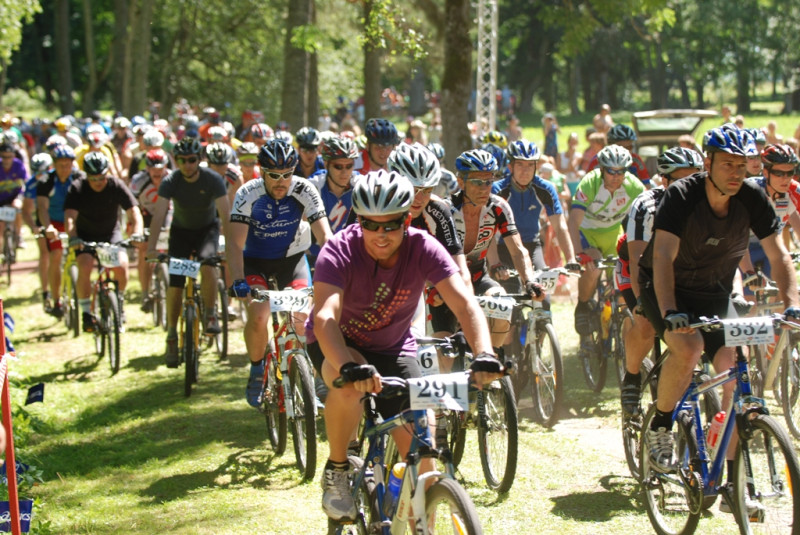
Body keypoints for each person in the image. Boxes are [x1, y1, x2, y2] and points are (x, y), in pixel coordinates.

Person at [308, 169, 502, 521]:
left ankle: (419, 517)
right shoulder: (339, 249)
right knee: (350, 384)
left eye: (390, 225)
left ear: (406, 219)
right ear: (359, 220)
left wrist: (485, 354)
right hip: (338, 341)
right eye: (370, 224)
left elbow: (464, 303)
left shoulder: (424, 247)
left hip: (393, 346)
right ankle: (337, 468)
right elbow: (325, 318)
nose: (380, 235)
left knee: (423, 443)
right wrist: (348, 366)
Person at [638, 124, 800, 481]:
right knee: (689, 346)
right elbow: (663, 256)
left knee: (733, 367)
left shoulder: (752, 197)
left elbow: (779, 254)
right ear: (707, 162)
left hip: (714, 290)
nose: (736, 173)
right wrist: (669, 311)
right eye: (728, 164)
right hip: (665, 287)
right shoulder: (682, 195)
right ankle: (661, 424)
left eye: (743, 166)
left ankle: (729, 475)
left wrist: (792, 304)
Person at [226, 139, 332, 408]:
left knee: (302, 319)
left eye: (287, 174)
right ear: (261, 172)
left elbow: (326, 237)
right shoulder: (248, 193)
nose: (281, 182)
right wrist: (237, 279)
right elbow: (235, 243)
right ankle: (256, 366)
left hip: (291, 259)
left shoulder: (304, 190)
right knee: (260, 315)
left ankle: (309, 375)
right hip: (255, 262)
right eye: (274, 176)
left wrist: (336, 275)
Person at [617, 147, 704, 417]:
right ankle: (631, 377)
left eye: (696, 178)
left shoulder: (705, 204)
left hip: (678, 272)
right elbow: (638, 260)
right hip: (636, 269)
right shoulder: (645, 206)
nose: (691, 186)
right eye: (682, 180)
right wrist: (644, 302)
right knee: (645, 322)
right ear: (664, 181)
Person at [444, 149, 542, 350]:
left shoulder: (499, 208)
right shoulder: (446, 211)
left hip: (479, 276)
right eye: (477, 182)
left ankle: (492, 361)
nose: (484, 188)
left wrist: (529, 281)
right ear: (461, 182)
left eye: (489, 182)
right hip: (448, 282)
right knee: (446, 347)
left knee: (503, 305)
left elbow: (518, 251)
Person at [145, 137, 230, 367]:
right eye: (181, 160)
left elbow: (225, 214)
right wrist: (152, 247)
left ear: (199, 160)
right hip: (181, 232)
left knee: (208, 264)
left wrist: (231, 247)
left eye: (192, 160)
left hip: (207, 230)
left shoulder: (213, 179)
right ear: (176, 160)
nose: (187, 165)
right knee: (176, 284)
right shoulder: (170, 180)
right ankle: (172, 335)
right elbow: (159, 215)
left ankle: (210, 314)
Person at [569, 145, 645, 351]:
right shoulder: (590, 183)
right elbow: (573, 221)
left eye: (621, 171)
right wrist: (578, 253)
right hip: (588, 232)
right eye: (611, 171)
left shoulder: (634, 187)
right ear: (602, 169)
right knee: (593, 264)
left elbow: (646, 219)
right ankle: (583, 306)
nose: (616, 176)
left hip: (612, 234)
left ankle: (622, 335)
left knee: (623, 281)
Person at [491, 140, 579, 305]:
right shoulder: (498, 190)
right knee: (511, 301)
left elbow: (560, 227)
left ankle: (542, 325)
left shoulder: (545, 188)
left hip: (532, 245)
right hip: (505, 248)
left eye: (530, 166)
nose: (525, 171)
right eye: (520, 165)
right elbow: (488, 231)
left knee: (543, 298)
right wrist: (496, 263)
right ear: (510, 166)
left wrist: (571, 259)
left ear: (536, 167)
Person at [63, 152, 143, 331]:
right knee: (84, 265)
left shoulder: (115, 185)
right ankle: (86, 313)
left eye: (102, 177)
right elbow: (69, 217)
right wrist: (73, 236)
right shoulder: (78, 187)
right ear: (86, 176)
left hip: (110, 234)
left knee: (121, 266)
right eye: (93, 178)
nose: (98, 182)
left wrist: (137, 232)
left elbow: (134, 211)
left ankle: (119, 303)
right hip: (84, 236)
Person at [37, 145, 79, 319]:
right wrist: (48, 227)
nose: (65, 169)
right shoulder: (46, 180)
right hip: (54, 222)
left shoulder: (79, 177)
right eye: (61, 165)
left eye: (68, 165)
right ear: (54, 165)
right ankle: (56, 300)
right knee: (55, 255)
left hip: (75, 221)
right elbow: (42, 207)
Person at [746, 144, 800, 277]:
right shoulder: (750, 191)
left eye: (790, 173)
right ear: (765, 173)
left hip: (772, 246)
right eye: (779, 173)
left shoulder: (794, 191)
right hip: (743, 247)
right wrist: (749, 272)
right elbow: (735, 236)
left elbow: (795, 218)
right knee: (749, 293)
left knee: (782, 290)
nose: (785, 178)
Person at [307, 136, 360, 263]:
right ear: (326, 164)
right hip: (316, 255)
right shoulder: (314, 185)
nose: (345, 172)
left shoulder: (360, 185)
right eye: (338, 166)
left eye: (349, 166)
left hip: (351, 256)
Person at [130, 148, 171, 313]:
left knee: (171, 245)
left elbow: (175, 206)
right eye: (153, 168)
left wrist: (169, 227)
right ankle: (145, 293)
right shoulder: (138, 181)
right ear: (147, 168)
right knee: (144, 251)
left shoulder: (172, 178)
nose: (157, 172)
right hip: (144, 215)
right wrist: (136, 230)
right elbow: (132, 206)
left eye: (160, 168)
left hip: (167, 213)